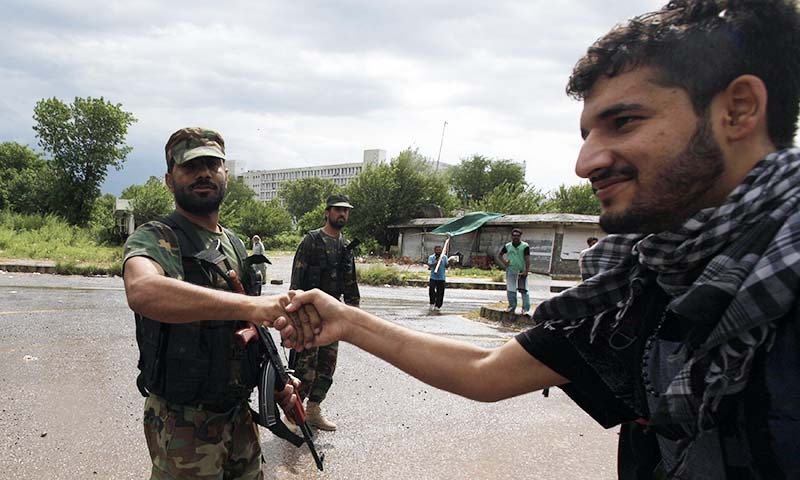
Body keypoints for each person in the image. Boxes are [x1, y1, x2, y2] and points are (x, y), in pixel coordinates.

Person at [276, 1, 800, 477]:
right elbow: (487, 371)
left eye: (624, 121)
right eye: (587, 134)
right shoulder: (643, 282)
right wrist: (346, 321)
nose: (585, 163)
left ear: (738, 110)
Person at [122, 128, 314, 480]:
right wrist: (252, 307)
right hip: (183, 420)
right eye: (190, 167)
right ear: (169, 180)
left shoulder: (235, 244)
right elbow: (143, 290)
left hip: (238, 415)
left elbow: (248, 333)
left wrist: (276, 381)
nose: (203, 174)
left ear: (225, 174)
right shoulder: (157, 236)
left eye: (212, 164)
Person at [289, 193, 360, 431]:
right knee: (304, 368)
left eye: (346, 210)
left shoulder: (346, 247)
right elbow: (296, 282)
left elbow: (351, 283)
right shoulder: (311, 241)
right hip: (309, 315)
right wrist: (294, 316)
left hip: (334, 316)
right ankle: (293, 413)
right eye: (338, 210)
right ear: (327, 212)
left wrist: (353, 313)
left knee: (327, 367)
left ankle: (313, 411)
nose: (342, 214)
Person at [498, 228, 531, 314]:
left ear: (520, 236)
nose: (515, 237)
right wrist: (505, 262)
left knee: (524, 290)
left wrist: (526, 271)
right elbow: (500, 255)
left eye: (517, 236)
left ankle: (525, 309)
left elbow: (527, 259)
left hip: (521, 271)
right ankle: (512, 306)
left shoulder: (525, 246)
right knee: (511, 289)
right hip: (511, 270)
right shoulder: (508, 246)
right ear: (511, 236)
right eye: (514, 235)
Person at [427, 245, 448, 313]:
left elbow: (446, 266)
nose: (438, 251)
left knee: (440, 292)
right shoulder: (431, 257)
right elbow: (429, 265)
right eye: (437, 250)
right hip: (433, 277)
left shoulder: (444, 257)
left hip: (441, 278)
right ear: (434, 250)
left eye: (440, 250)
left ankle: (438, 305)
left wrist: (451, 262)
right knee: (431, 291)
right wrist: (436, 262)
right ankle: (432, 303)